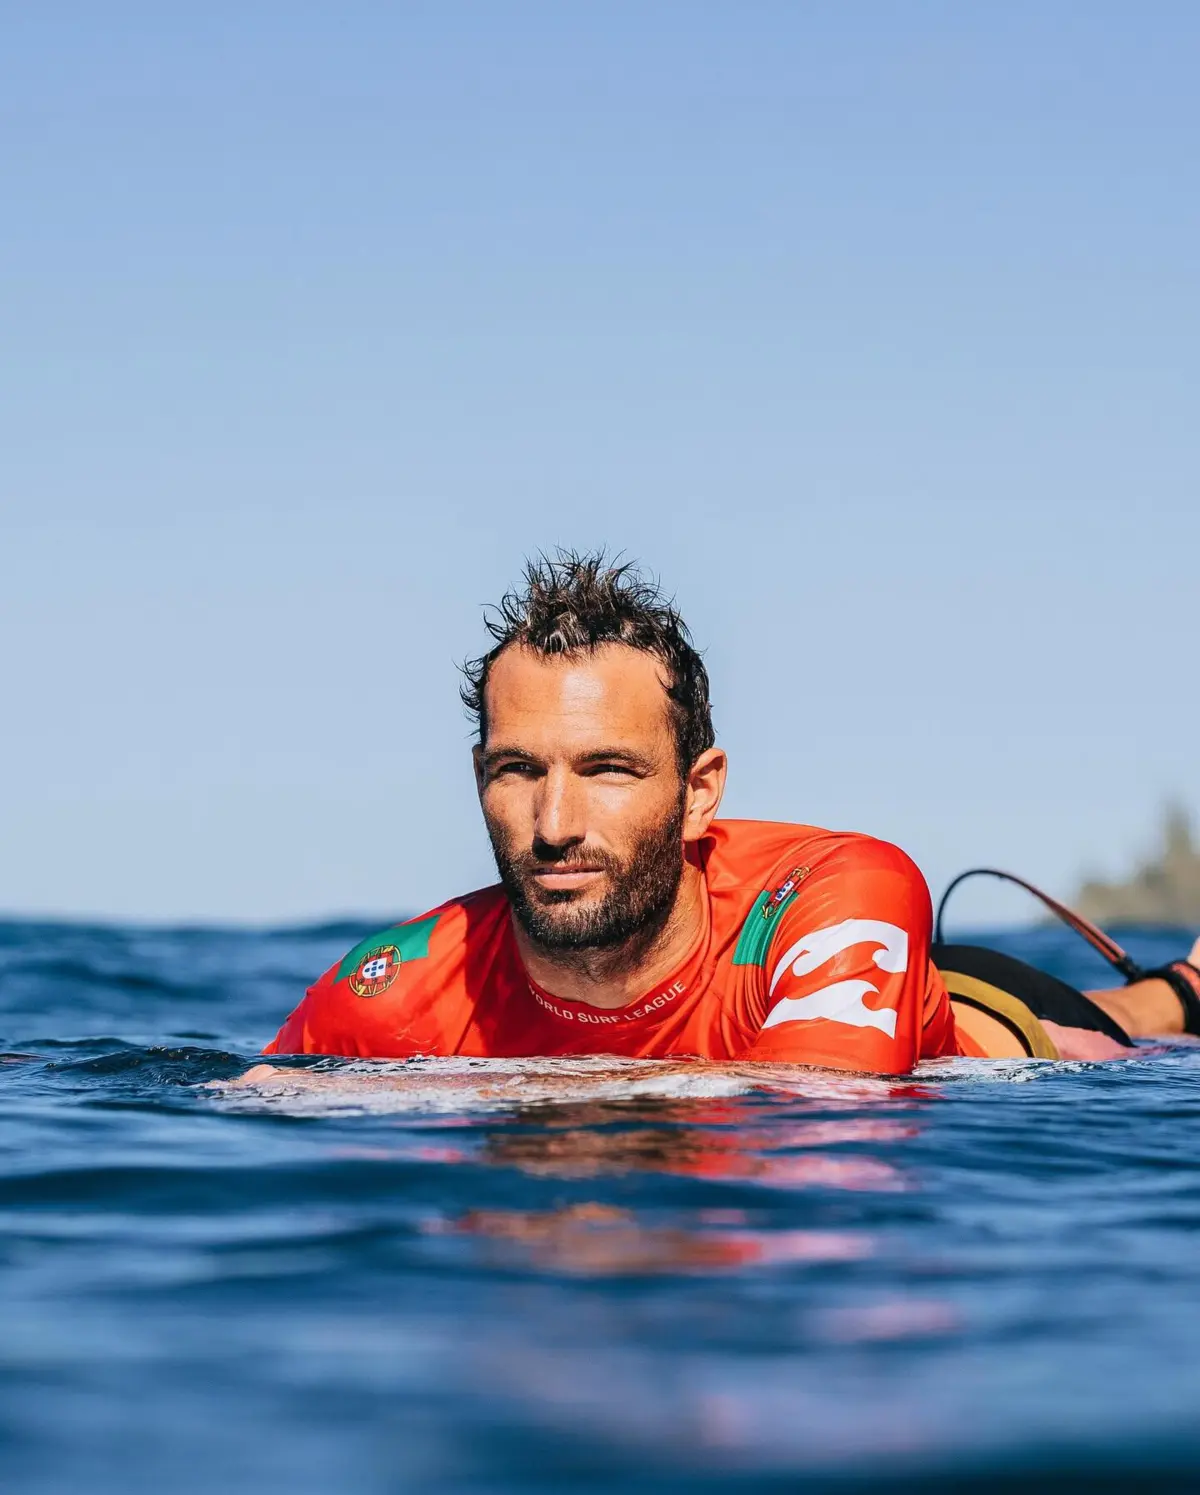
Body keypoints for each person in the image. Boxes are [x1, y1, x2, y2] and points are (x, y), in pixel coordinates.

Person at [262, 553, 1200, 1075]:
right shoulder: (389, 992)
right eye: (518, 769)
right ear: (479, 778)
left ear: (699, 791)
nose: (554, 824)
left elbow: (813, 1131)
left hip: (1001, 1022)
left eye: (609, 769)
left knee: (1142, 1023)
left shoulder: (846, 886)